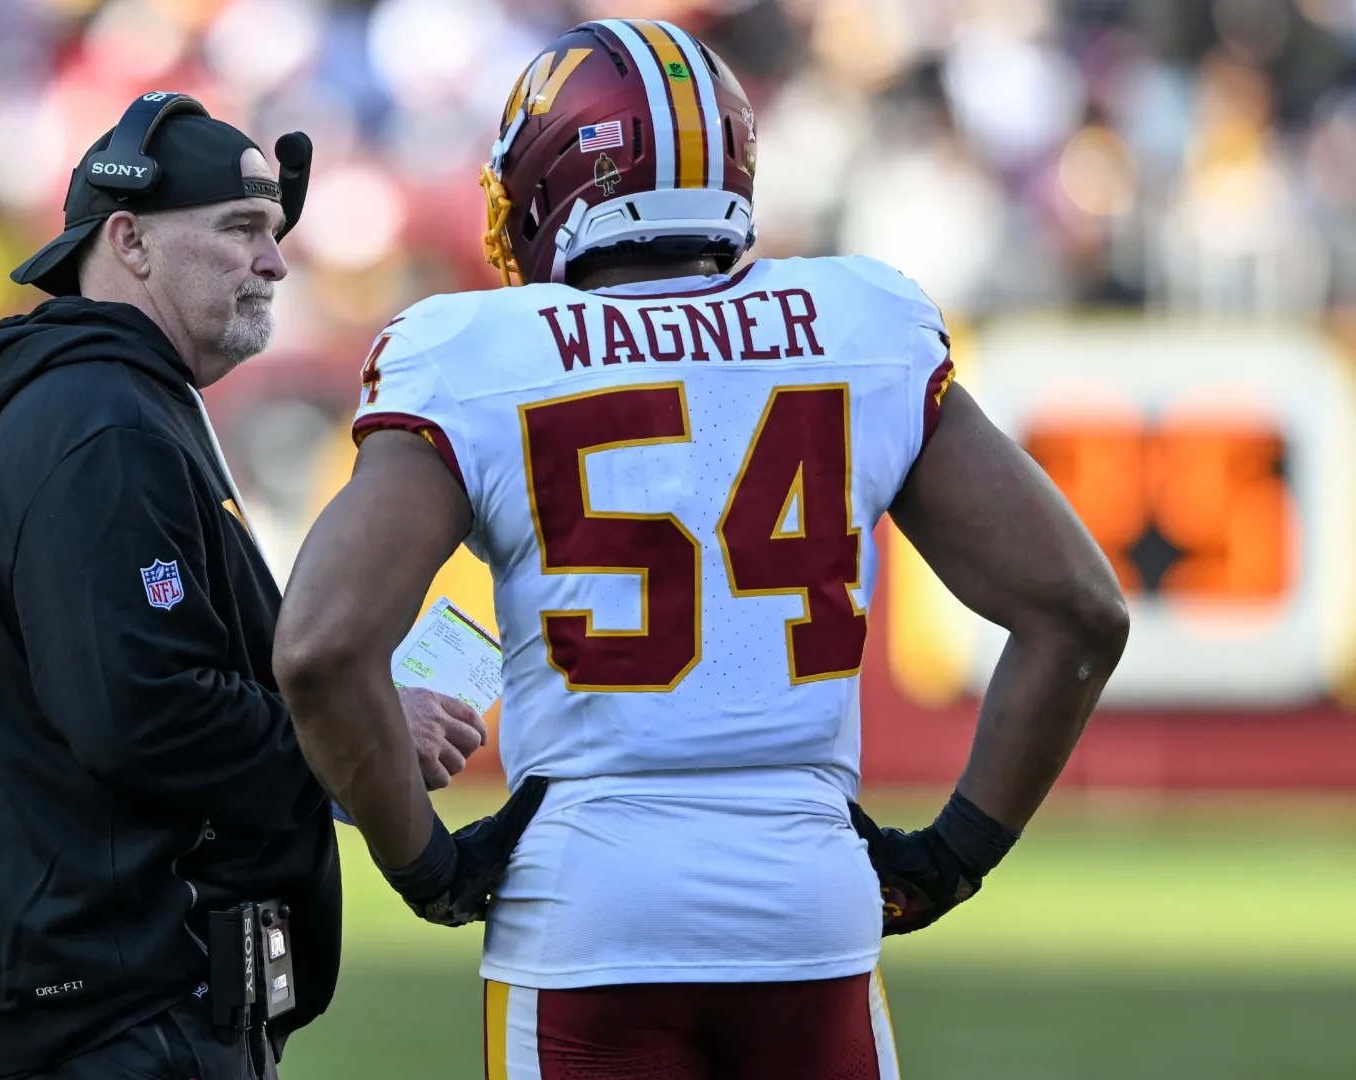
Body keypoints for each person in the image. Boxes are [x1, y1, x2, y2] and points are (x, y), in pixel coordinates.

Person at [274, 19, 1130, 1080]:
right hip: (809, 897)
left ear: (552, 183)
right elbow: (1080, 614)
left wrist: (426, 865)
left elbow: (319, 648)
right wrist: (955, 855)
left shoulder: (471, 354)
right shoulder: (860, 322)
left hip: (586, 902)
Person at [0, 93, 486, 1080]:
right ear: (127, 240)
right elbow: (143, 714)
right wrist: (358, 729)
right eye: (241, 228)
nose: (275, 260)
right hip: (116, 1009)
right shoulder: (103, 422)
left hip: (98, 995)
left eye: (274, 231)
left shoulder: (106, 400)